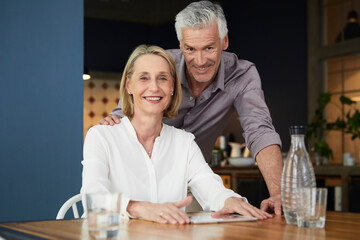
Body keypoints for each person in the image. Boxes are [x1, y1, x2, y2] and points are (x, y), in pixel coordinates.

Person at [100, 1, 283, 215]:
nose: (200, 60)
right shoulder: (161, 68)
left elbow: (259, 130)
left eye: (209, 48)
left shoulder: (241, 76)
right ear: (181, 45)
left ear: (224, 41)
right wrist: (111, 124)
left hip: (191, 181)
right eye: (190, 49)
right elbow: (127, 113)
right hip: (135, 180)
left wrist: (278, 193)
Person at [81, 44, 272, 224]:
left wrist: (231, 201)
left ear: (172, 87)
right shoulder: (101, 137)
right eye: (144, 78)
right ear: (128, 85)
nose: (154, 87)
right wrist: (138, 208)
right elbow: (93, 198)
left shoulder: (185, 142)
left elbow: (210, 187)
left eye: (163, 78)